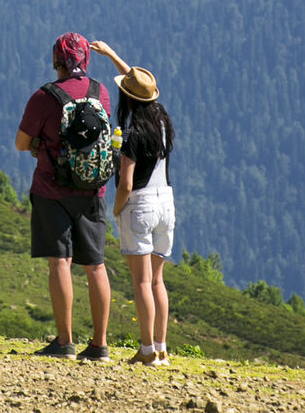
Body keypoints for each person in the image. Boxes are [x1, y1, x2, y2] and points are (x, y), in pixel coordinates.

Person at [15, 32, 112, 361]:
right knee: (96, 267)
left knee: (60, 262)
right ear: (85, 59)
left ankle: (65, 341)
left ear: (56, 61)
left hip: (51, 189)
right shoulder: (102, 94)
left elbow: (20, 142)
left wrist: (41, 144)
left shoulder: (44, 97)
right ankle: (99, 345)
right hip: (92, 191)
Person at [91, 39, 175, 366]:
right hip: (166, 201)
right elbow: (139, 87)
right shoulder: (162, 122)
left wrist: (115, 209)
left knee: (140, 282)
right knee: (157, 281)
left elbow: (125, 183)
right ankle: (161, 346)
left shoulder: (131, 135)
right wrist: (112, 55)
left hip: (139, 205)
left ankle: (145, 350)